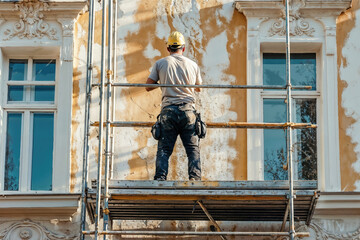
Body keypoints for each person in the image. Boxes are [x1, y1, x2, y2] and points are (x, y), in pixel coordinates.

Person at [145, 31, 202, 181]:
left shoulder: (161, 63)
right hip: (188, 110)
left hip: (169, 110)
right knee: (192, 149)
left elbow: (148, 86)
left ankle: (160, 179)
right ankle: (195, 179)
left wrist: (164, 83)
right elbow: (199, 87)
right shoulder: (193, 65)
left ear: (168, 48)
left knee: (164, 149)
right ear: (183, 48)